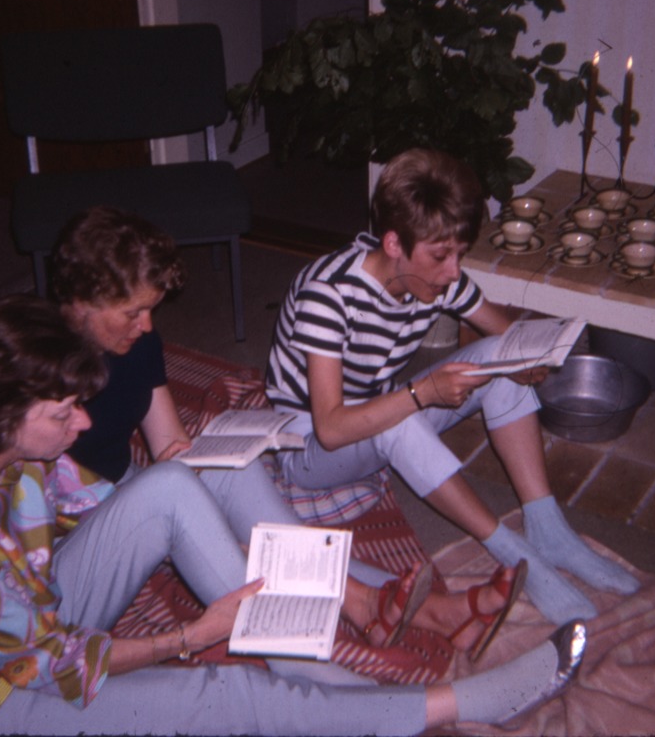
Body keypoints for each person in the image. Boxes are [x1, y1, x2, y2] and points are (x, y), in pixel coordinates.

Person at [0, 295, 586, 735]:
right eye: (63, 413)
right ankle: (450, 704)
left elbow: (122, 510)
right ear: (3, 415)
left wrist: (221, 511)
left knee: (175, 484)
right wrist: (190, 637)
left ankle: (306, 655)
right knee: (226, 697)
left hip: (36, 610)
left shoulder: (16, 454)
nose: (83, 424)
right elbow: (53, 666)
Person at [49, 205, 524, 657]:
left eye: (150, 309)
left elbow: (168, 444)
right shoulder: (34, 371)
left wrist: (207, 461)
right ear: (82, 301)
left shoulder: (140, 342)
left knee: (250, 500)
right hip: (70, 521)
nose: (147, 325)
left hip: (133, 485)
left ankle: (419, 610)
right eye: (133, 313)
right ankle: (414, 610)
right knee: (233, 540)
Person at [265, 147, 641, 628]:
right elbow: (332, 429)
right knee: (401, 416)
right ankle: (513, 553)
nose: (452, 271)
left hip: (373, 414)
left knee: (498, 360)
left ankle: (547, 526)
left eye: (459, 254)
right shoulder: (328, 295)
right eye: (441, 256)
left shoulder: (438, 280)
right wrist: (422, 393)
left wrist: (529, 360)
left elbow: (505, 337)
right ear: (393, 243)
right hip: (308, 447)